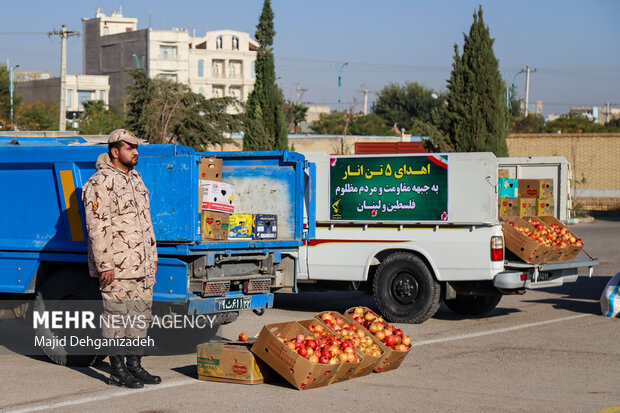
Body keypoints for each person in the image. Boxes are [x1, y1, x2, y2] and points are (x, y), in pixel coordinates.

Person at [82, 129, 160, 388]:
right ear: (115, 152)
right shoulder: (99, 183)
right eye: (130, 148)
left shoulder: (136, 179)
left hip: (142, 265)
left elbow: (146, 223)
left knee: (140, 317)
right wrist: (105, 265)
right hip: (117, 267)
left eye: (136, 148)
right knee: (116, 319)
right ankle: (117, 371)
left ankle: (134, 366)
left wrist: (152, 259)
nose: (136, 152)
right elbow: (97, 226)